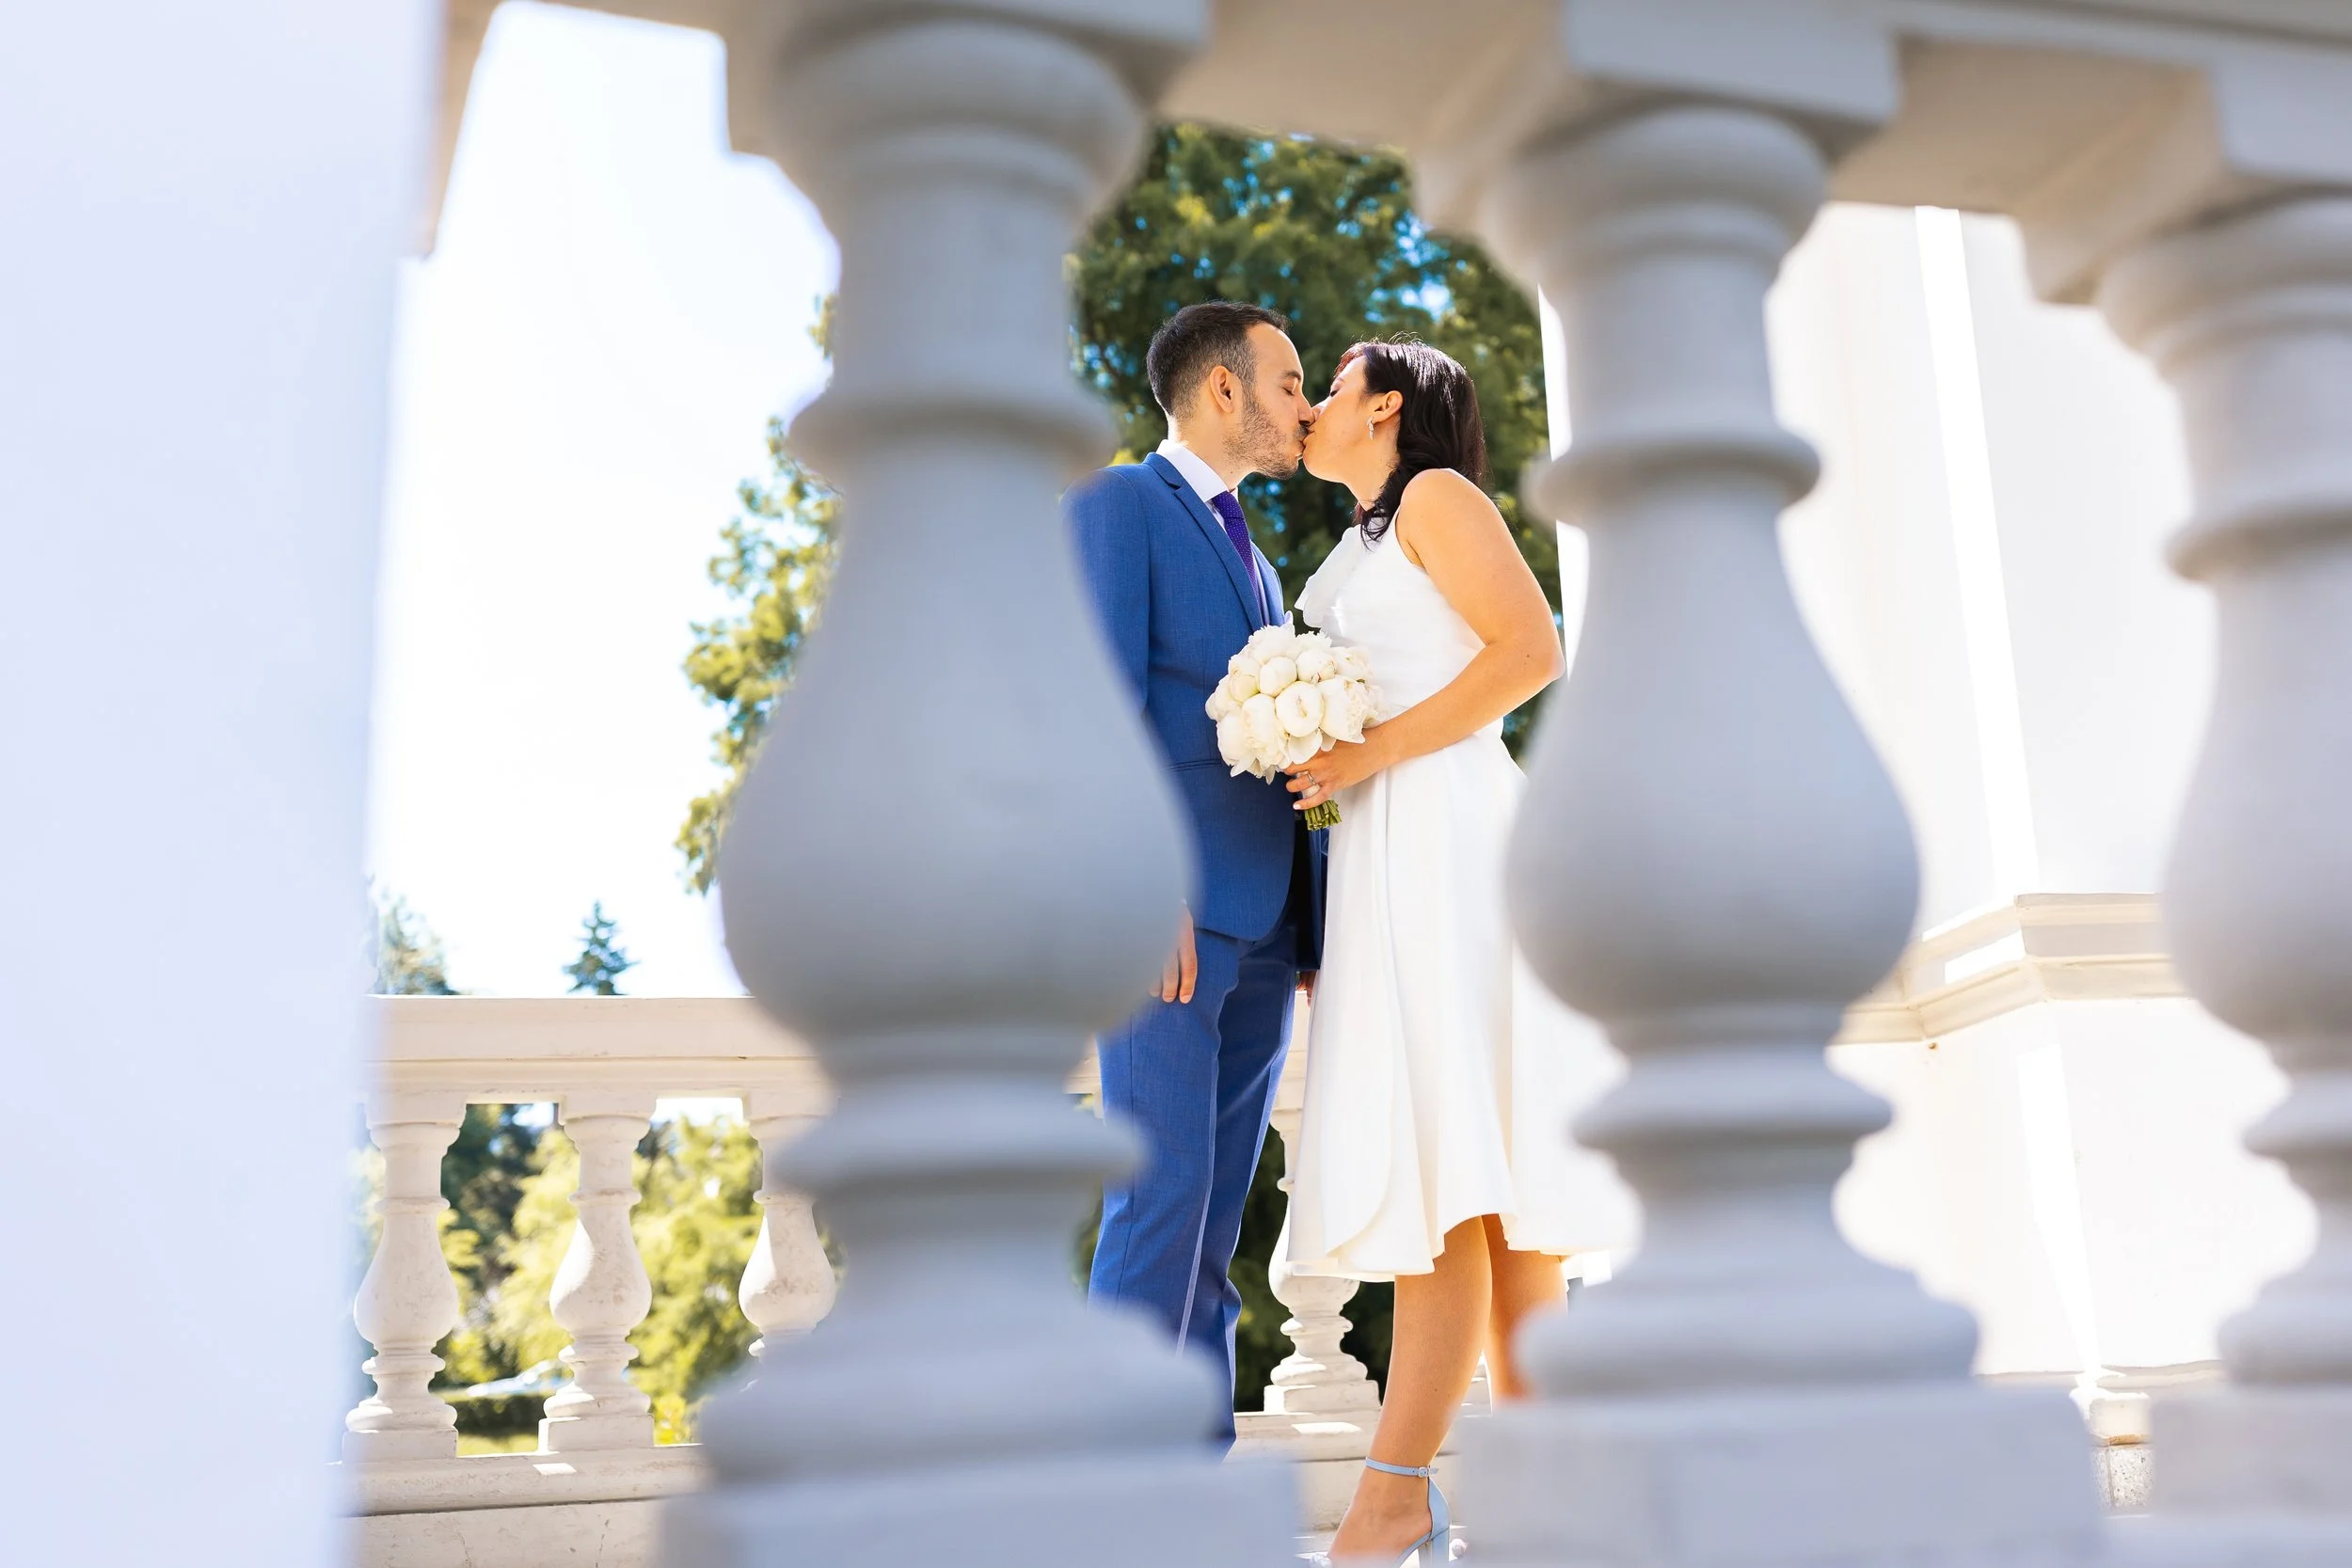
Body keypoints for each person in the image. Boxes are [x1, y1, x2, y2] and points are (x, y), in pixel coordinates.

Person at [1281, 341, 1636, 1564]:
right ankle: (1547, 1498)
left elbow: (1529, 652)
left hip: (1454, 847)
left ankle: (1393, 1490)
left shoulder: (1436, 496)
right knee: (1490, 1195)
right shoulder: (1362, 540)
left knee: (1453, 1172)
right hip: (1391, 854)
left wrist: (1368, 753)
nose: (1312, 406)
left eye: (1329, 385)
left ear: (1386, 405)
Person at [1062, 300, 1328, 1441]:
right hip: (1166, 921)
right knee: (1159, 1205)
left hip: (1267, 928)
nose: (1303, 407)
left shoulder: (1259, 556)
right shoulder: (1124, 502)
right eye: (1287, 382)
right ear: (1223, 390)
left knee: (1216, 1227)